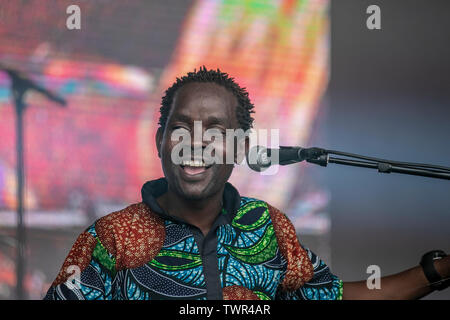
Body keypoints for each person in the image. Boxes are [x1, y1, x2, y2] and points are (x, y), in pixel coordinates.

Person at [44, 67, 449, 300]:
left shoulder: (268, 227)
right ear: (160, 141)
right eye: (180, 127)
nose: (196, 142)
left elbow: (335, 298)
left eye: (216, 131)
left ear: (239, 150)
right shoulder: (111, 237)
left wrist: (434, 273)